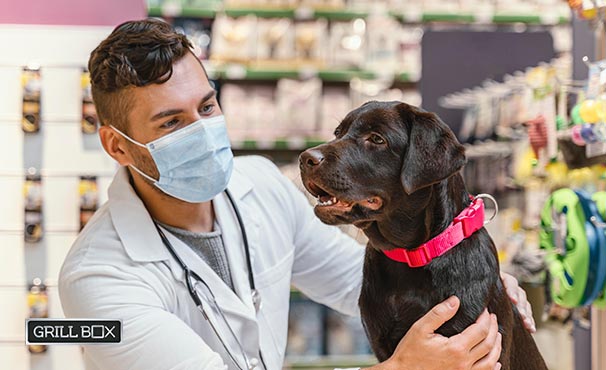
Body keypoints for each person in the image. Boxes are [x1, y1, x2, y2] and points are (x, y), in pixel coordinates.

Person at [59, 19, 536, 370]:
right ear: (118, 146)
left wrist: (480, 288)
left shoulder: (260, 185)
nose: (203, 131)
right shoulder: (98, 278)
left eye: (207, 106)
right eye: (172, 123)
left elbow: (358, 283)